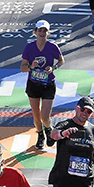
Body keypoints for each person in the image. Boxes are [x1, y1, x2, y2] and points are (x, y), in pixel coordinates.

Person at [20, 19, 65, 149]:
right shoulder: (29, 48)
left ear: (48, 33)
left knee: (45, 116)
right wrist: (30, 67)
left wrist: (54, 67)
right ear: (35, 32)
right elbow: (22, 67)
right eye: (40, 30)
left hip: (48, 84)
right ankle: (40, 135)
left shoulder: (52, 47)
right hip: (33, 84)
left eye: (45, 30)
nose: (42, 33)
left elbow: (62, 60)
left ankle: (48, 128)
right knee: (36, 114)